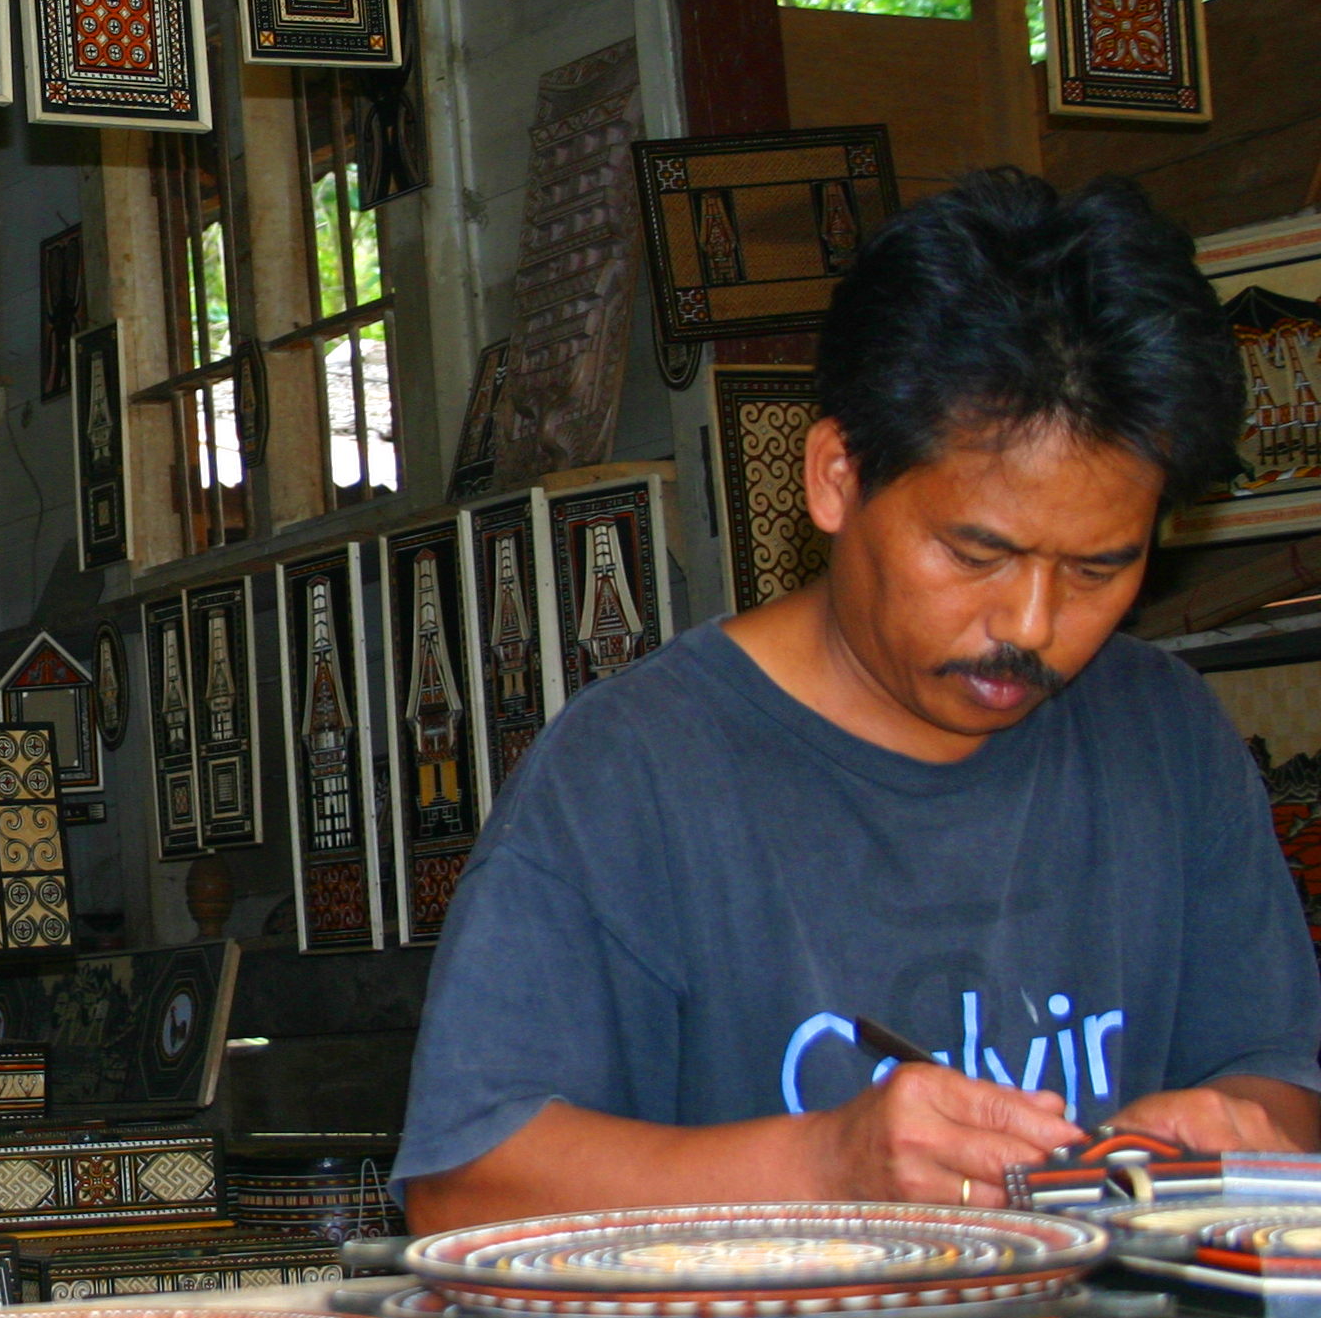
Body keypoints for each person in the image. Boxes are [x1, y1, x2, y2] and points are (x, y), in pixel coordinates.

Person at [397, 170, 1321, 1231]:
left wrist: (1241, 1128)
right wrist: (827, 1164)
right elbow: (461, 1188)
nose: (1029, 623)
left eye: (1098, 569)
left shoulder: (1168, 738)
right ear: (836, 475)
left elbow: (1275, 1081)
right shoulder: (630, 773)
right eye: (976, 551)